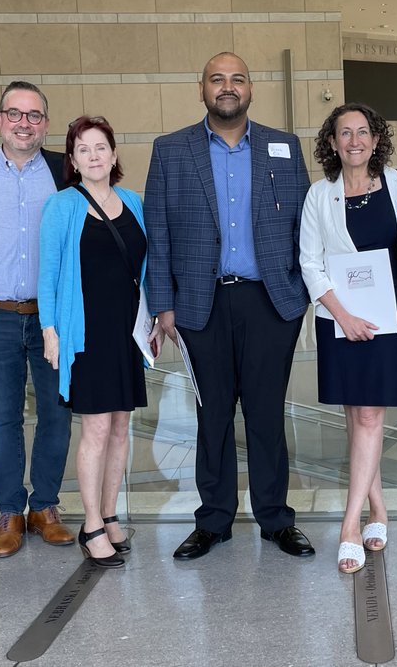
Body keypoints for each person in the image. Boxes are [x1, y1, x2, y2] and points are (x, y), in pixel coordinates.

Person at [145, 52, 314, 561]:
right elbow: (159, 232)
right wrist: (163, 304)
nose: (227, 87)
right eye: (217, 79)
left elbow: (305, 224)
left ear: (250, 89)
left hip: (270, 302)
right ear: (202, 90)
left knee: (266, 414)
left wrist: (300, 294)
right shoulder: (171, 150)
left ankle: (275, 519)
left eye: (237, 79)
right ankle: (214, 521)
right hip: (200, 303)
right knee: (211, 415)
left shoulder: (283, 146)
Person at [298, 103, 397, 574]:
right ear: (332, 143)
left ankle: (349, 524)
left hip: (389, 319)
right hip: (339, 318)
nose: (354, 141)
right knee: (357, 415)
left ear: (376, 140)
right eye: (344, 133)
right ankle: (379, 509)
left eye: (363, 132)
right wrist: (343, 315)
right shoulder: (319, 195)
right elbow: (310, 262)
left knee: (371, 414)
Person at [0, 81, 75, 558]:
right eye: (15, 113)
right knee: (1, 421)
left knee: (57, 417)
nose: (24, 122)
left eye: (35, 115)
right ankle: (9, 511)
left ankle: (44, 507)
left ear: (46, 124)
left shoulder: (66, 174)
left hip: (54, 320)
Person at [39, 115, 160, 569]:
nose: (94, 155)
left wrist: (150, 322)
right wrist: (50, 331)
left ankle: (109, 514)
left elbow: (144, 272)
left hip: (126, 331)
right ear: (73, 159)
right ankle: (90, 525)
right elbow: (47, 274)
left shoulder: (133, 202)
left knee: (120, 427)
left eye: (101, 147)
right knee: (94, 429)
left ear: (114, 154)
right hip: (83, 333)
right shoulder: (62, 205)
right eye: (83, 149)